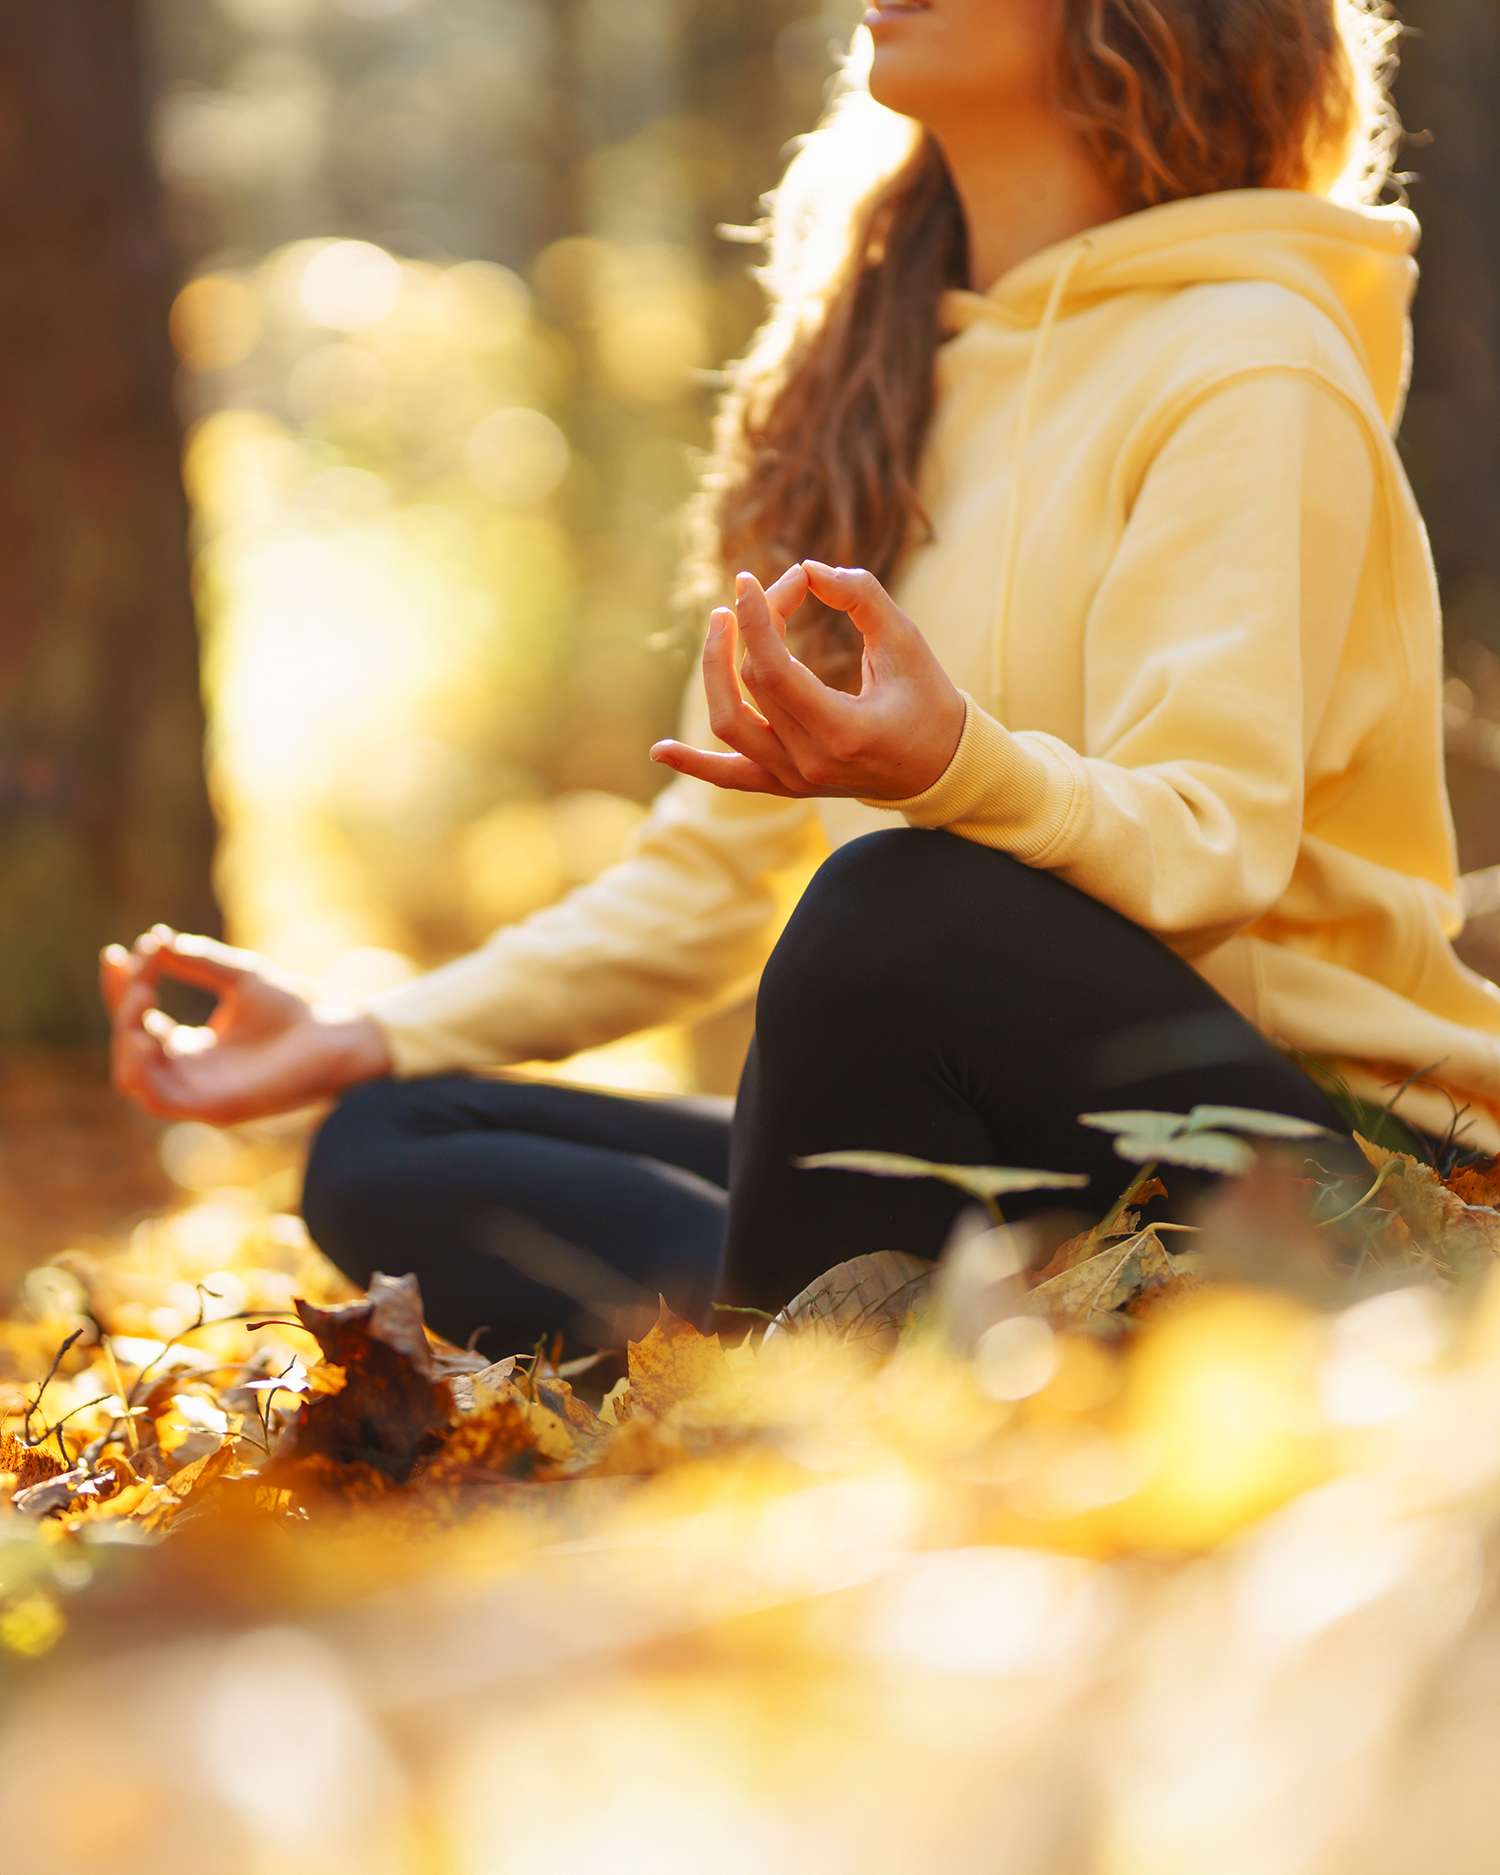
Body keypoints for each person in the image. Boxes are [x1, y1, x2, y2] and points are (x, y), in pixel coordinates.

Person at [102, 0, 1500, 1359]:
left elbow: (1216, 847)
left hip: (1322, 1173)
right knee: (391, 1142)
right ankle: (851, 1353)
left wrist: (958, 768)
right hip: (1021, 1168)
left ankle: (793, 1384)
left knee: (899, 903)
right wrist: (356, 1031)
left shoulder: (1252, 359)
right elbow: (699, 889)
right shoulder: (869, 382)